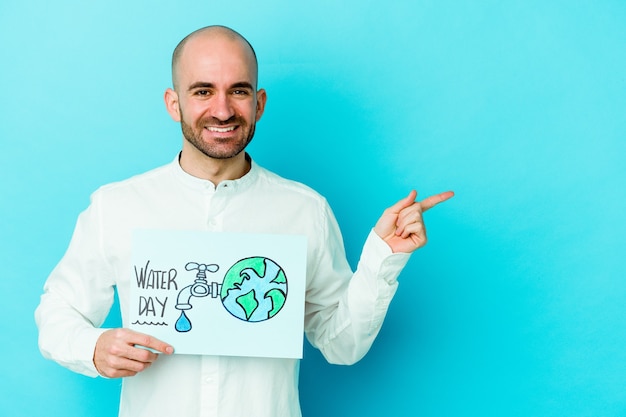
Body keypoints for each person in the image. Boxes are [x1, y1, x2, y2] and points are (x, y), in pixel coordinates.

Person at [35, 25, 453, 417]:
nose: (222, 110)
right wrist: (93, 347)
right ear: (173, 103)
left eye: (238, 90)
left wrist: (383, 259)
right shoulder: (117, 206)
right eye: (202, 91)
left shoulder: (305, 210)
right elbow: (58, 314)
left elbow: (342, 344)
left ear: (259, 103)